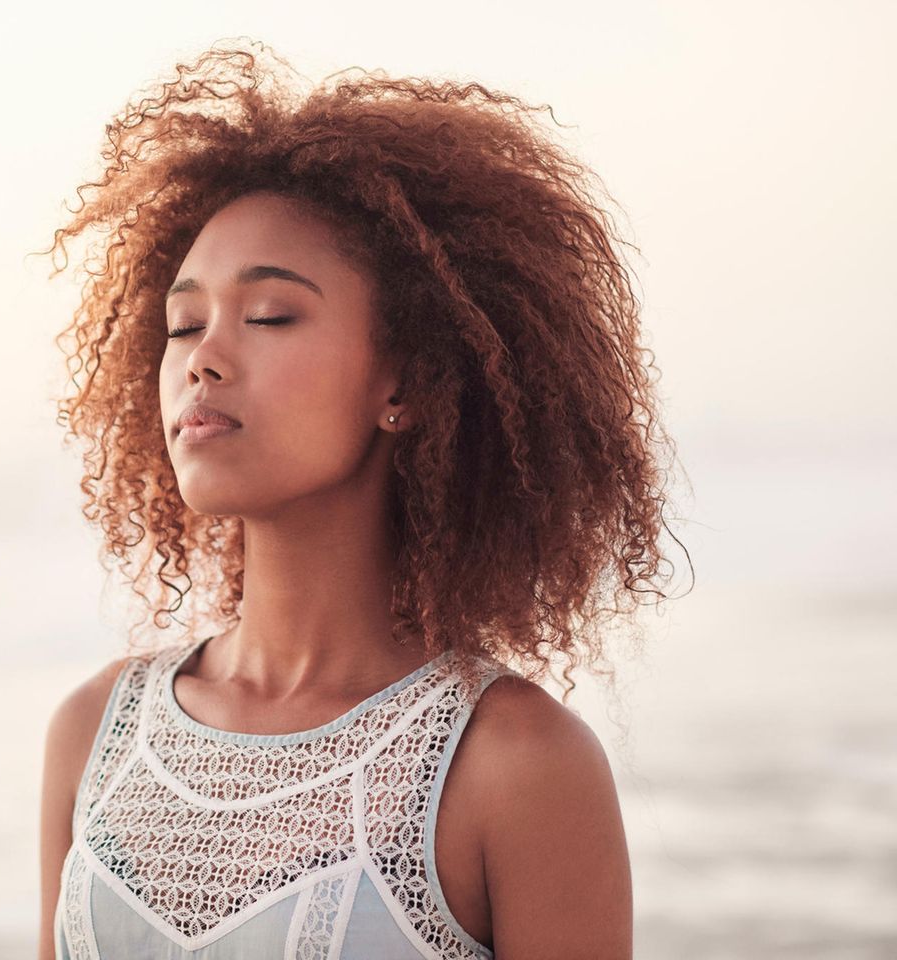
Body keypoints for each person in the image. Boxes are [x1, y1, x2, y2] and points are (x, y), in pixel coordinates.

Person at [35, 38, 685, 960]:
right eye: (184, 324)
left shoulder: (513, 766)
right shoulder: (93, 735)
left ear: (409, 382)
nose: (203, 358)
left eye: (269, 316)